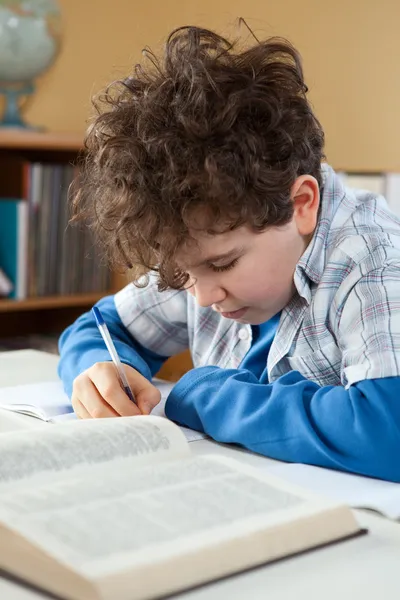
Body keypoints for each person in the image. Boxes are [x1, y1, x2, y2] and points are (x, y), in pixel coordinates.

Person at [58, 25, 400, 482]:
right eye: (181, 273)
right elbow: (100, 328)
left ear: (301, 205)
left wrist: (207, 396)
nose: (201, 297)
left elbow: (388, 431)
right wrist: (99, 375)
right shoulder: (202, 250)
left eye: (222, 264)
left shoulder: (372, 257)